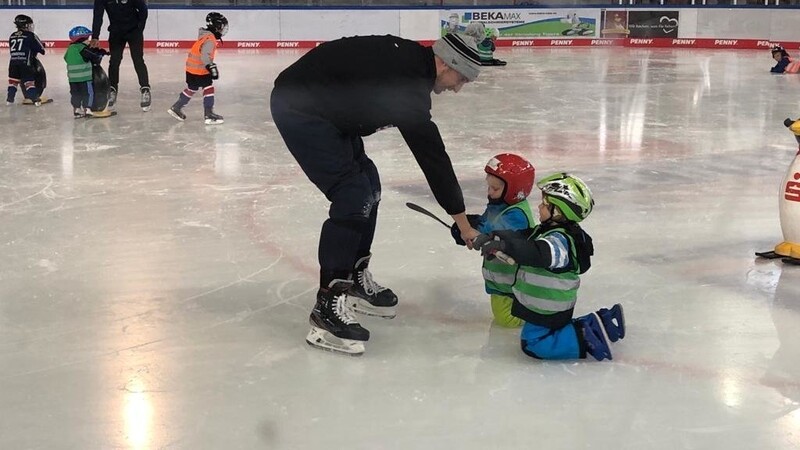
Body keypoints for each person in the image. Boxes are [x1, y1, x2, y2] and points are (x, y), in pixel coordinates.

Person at [270, 33, 483, 356]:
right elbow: (433, 158)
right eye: (461, 78)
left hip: (328, 109)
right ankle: (327, 304)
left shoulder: (412, 64)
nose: (457, 88)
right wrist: (462, 222)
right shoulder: (408, 87)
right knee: (352, 195)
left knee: (369, 184)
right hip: (301, 109)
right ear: (444, 63)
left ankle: (354, 274)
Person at [473, 172, 625, 361]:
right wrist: (495, 237)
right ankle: (597, 323)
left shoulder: (559, 240)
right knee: (538, 336)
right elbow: (521, 236)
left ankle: (586, 336)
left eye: (545, 204)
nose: (539, 206)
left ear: (559, 211)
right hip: (544, 304)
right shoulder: (547, 231)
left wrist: (505, 246)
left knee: (534, 344)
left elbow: (537, 252)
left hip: (549, 305)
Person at [450, 153, 536, 328]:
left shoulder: (516, 215)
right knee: (502, 313)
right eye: (489, 187)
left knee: (506, 319)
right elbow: (488, 222)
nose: (489, 192)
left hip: (512, 278)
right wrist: (468, 226)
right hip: (501, 277)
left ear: (514, 191)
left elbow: (497, 234)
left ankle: (534, 317)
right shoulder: (500, 204)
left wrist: (474, 233)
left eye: (495, 189)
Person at [167, 12, 228, 125]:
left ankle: (176, 107)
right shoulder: (210, 39)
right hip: (200, 70)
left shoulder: (204, 35)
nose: (222, 29)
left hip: (191, 69)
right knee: (208, 88)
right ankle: (208, 114)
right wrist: (211, 67)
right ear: (216, 26)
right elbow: (205, 55)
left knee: (192, 88)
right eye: (221, 26)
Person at [89, 0, 151, 111]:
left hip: (134, 31)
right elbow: (98, 14)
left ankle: (145, 89)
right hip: (116, 32)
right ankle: (112, 89)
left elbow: (143, 10)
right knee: (114, 61)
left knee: (138, 60)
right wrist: (95, 36)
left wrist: (139, 28)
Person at [64, 26, 111, 118]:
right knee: (88, 93)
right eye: (87, 38)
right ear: (82, 39)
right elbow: (94, 56)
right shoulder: (82, 48)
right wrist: (102, 52)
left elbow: (66, 58)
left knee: (75, 93)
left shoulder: (70, 48)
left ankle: (77, 109)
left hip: (72, 78)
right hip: (84, 77)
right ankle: (87, 109)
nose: (88, 41)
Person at [7, 14, 48, 106]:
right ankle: (35, 100)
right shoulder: (30, 35)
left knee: (13, 82)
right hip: (26, 63)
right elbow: (41, 49)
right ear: (25, 25)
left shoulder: (12, 35)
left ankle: (9, 100)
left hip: (13, 63)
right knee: (29, 82)